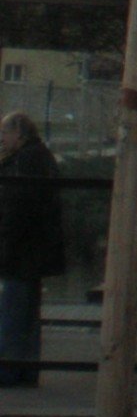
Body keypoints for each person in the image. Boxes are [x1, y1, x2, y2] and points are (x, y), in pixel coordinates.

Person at [0, 111, 66, 387]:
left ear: (19, 133)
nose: (1, 139)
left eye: (4, 132)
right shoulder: (39, 157)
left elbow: (17, 207)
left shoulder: (25, 161)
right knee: (26, 312)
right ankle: (26, 370)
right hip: (34, 250)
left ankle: (11, 372)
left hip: (21, 251)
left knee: (14, 311)